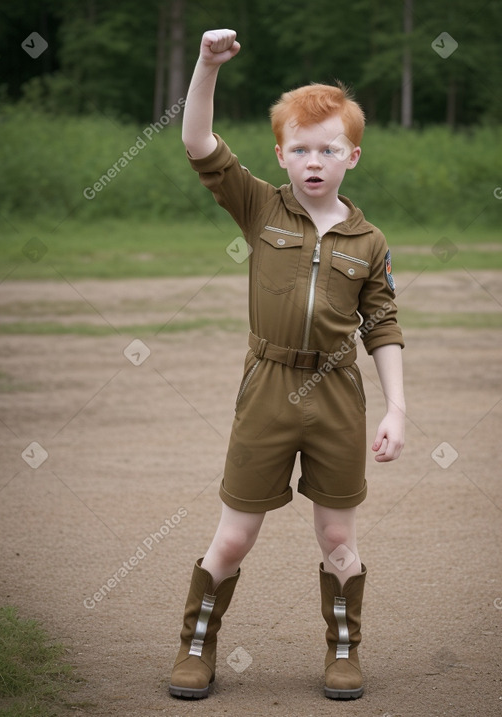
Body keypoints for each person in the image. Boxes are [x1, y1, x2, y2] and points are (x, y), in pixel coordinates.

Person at [169, 28, 405, 701]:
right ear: (281, 153)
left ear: (351, 156)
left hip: (337, 392)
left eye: (328, 149)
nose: (313, 161)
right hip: (268, 387)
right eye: (300, 149)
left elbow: (382, 324)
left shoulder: (369, 240)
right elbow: (197, 145)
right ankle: (196, 643)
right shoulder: (260, 206)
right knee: (235, 535)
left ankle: (342, 649)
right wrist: (207, 66)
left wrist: (398, 406)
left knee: (337, 535)